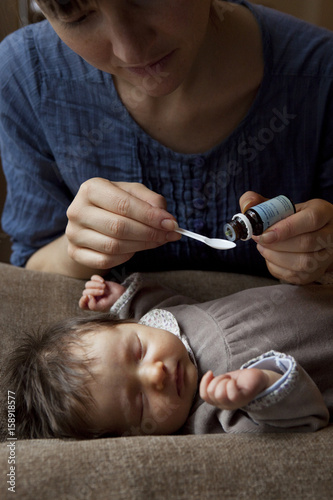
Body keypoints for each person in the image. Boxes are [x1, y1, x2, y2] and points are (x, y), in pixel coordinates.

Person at [0, 0, 333, 283]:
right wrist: (77, 250)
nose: (129, 49)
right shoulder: (26, 78)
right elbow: (32, 272)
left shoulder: (320, 78)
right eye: (75, 13)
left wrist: (323, 261)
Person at [8, 273, 332, 439]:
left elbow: (165, 306)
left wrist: (122, 298)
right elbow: (305, 417)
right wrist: (260, 385)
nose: (155, 374)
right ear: (135, 437)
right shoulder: (212, 413)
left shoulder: (163, 324)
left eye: (138, 352)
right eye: (139, 402)